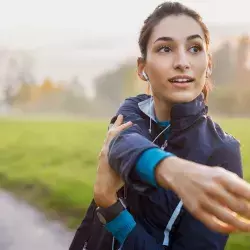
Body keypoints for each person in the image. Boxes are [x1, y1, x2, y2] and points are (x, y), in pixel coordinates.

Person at [69, 2, 250, 250]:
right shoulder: (134, 108)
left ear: (208, 64)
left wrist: (111, 208)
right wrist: (173, 171)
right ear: (142, 68)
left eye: (195, 48)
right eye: (165, 48)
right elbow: (122, 143)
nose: (182, 62)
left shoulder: (223, 151)